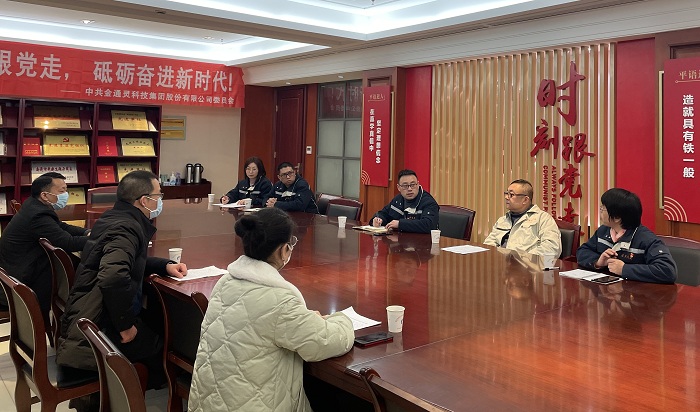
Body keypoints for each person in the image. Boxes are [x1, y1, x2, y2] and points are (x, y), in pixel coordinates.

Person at [188, 207, 354, 412]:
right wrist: (341, 319)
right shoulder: (280, 300)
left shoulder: (225, 282)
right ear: (283, 250)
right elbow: (324, 342)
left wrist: (303, 319)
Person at [56, 170, 187, 399]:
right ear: (144, 200)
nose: (160, 201)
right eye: (159, 195)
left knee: (154, 325)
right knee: (164, 350)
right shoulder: (127, 227)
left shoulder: (113, 217)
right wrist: (125, 325)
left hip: (86, 314)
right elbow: (113, 276)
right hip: (99, 326)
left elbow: (123, 260)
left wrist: (164, 265)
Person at [0, 172, 89, 321]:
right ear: (45, 195)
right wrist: (99, 239)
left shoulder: (34, 205)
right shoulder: (37, 215)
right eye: (61, 191)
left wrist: (87, 232)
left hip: (17, 268)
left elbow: (60, 226)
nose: (65, 195)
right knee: (84, 270)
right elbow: (68, 242)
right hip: (22, 279)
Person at [576, 188, 677, 283]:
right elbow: (582, 251)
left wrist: (624, 269)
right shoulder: (603, 231)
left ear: (617, 217)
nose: (600, 211)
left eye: (603, 209)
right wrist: (598, 262)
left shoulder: (646, 239)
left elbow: (667, 271)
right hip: (607, 290)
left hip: (637, 293)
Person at [484, 179, 562, 257]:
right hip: (498, 261)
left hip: (526, 263)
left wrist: (523, 258)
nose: (506, 197)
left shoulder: (543, 219)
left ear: (525, 200)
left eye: (511, 194)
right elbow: (489, 243)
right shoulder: (503, 220)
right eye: (506, 193)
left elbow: (552, 248)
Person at [371, 169, 439, 233]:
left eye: (412, 185)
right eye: (405, 186)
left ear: (418, 184)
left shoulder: (428, 202)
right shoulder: (397, 200)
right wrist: (378, 219)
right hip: (400, 239)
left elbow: (429, 225)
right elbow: (383, 213)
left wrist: (400, 224)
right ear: (398, 187)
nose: (409, 189)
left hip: (423, 240)